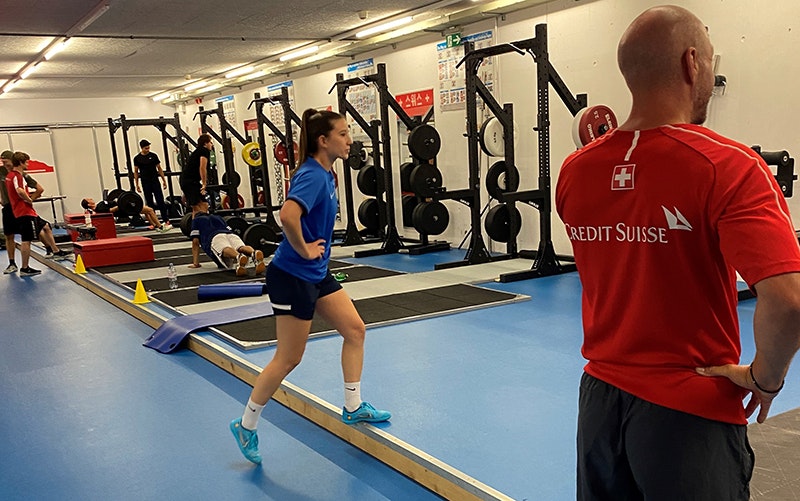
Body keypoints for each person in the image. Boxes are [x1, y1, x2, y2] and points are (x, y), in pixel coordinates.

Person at [555, 6, 800, 500]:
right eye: (710, 60)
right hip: (689, 412)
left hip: (599, 407)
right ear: (692, 62)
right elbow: (790, 301)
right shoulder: (730, 165)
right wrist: (765, 379)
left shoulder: (574, 172)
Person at [229, 109, 390, 465]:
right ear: (323, 140)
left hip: (316, 273)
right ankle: (246, 425)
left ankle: (353, 406)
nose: (349, 141)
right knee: (289, 358)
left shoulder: (327, 174)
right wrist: (304, 249)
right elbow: (287, 215)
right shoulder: (313, 175)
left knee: (355, 330)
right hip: (292, 276)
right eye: (343, 134)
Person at [187, 200, 265, 276]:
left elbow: (195, 241)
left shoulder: (196, 220)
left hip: (215, 237)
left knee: (224, 249)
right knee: (240, 247)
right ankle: (253, 252)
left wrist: (196, 263)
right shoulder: (218, 217)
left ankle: (238, 256)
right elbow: (229, 228)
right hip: (231, 234)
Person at [133, 139, 171, 227]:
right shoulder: (137, 158)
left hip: (155, 181)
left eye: (148, 148)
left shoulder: (153, 156)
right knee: (149, 203)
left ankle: (166, 219)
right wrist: (137, 184)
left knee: (160, 200)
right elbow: (136, 172)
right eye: (146, 148)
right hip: (145, 182)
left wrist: (164, 180)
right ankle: (154, 222)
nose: (148, 150)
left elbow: (159, 168)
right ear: (142, 148)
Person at [80, 196, 170, 232]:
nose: (91, 198)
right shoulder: (100, 208)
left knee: (146, 210)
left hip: (125, 206)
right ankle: (160, 227)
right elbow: (111, 210)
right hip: (126, 209)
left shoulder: (99, 205)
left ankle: (155, 225)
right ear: (89, 205)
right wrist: (121, 203)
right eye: (89, 199)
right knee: (150, 210)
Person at [179, 134, 213, 215]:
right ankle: (201, 223)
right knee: (202, 206)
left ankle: (196, 223)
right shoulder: (204, 151)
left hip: (188, 181)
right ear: (205, 143)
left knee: (198, 208)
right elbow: (202, 168)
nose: (211, 144)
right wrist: (204, 184)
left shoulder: (198, 151)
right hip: (190, 182)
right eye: (210, 142)